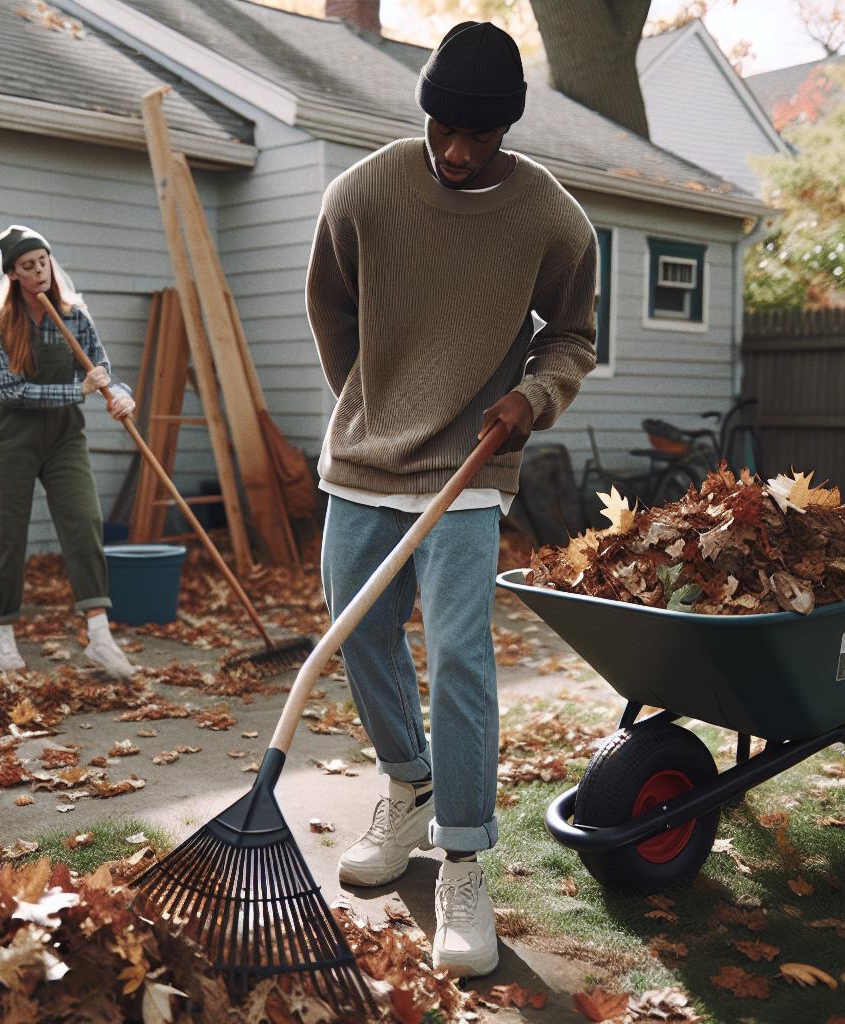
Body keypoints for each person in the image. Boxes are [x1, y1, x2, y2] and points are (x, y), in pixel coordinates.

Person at [305, 22, 598, 977]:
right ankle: (410, 785)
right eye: (442, 129)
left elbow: (572, 338)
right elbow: (330, 306)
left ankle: (465, 857)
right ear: (424, 112)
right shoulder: (363, 192)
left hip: (473, 467)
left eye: (478, 136)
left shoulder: (554, 221)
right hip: (364, 459)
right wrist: (373, 397)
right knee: (355, 631)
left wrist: (533, 396)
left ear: (507, 129)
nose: (457, 152)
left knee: (463, 659)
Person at [0, 225, 139, 681]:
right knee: (6, 533)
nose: (39, 271)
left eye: (43, 261)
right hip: (11, 438)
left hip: (64, 439)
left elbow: (101, 373)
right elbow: (7, 389)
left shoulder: (75, 318)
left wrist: (122, 394)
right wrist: (76, 389)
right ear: (12, 274)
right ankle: (4, 634)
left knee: (85, 522)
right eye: (28, 266)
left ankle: (100, 637)